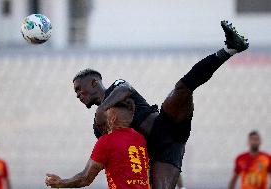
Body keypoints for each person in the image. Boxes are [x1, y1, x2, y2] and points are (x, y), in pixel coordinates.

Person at [73, 20, 249, 189]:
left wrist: (103, 108)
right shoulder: (99, 127)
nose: (79, 95)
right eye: (76, 92)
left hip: (167, 124)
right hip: (162, 153)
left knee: (182, 88)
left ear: (94, 83)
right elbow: (120, 151)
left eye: (80, 89)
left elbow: (126, 89)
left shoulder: (117, 86)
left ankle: (230, 49)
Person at [45, 99, 150, 189]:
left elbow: (85, 178)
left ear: (112, 119)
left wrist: (61, 183)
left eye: (106, 114)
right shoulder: (140, 139)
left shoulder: (107, 141)